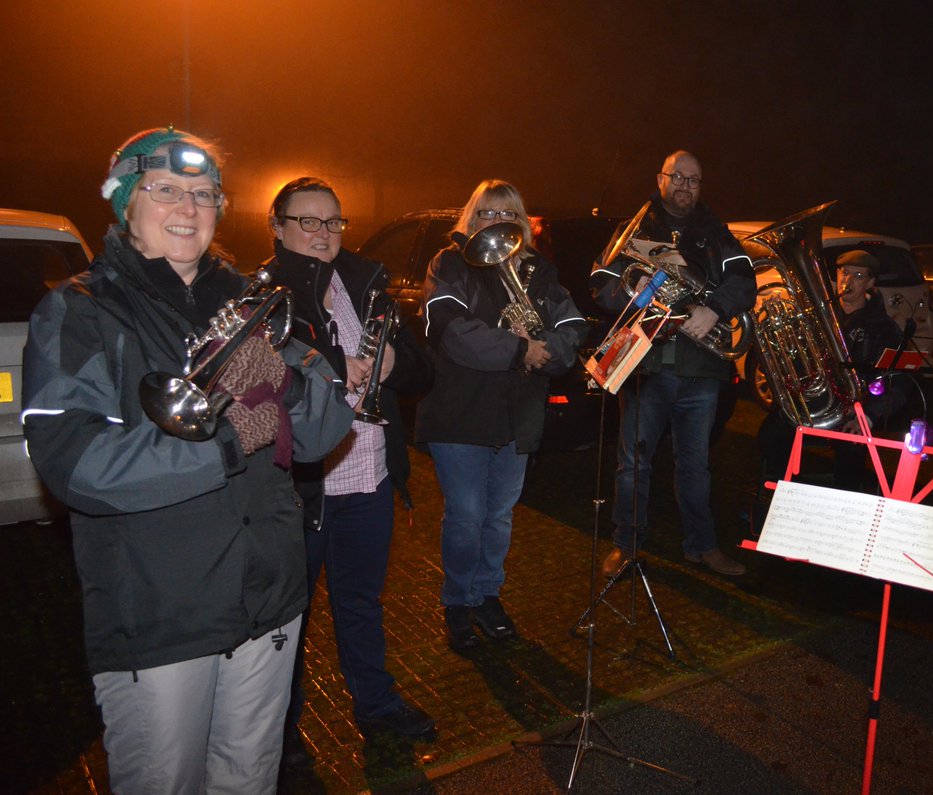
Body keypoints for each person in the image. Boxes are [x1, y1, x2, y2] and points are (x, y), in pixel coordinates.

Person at [20, 127, 354, 793]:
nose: (187, 208)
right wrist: (231, 439)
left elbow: (326, 426)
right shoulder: (78, 312)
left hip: (269, 605)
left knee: (248, 782)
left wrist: (286, 385)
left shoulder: (248, 302)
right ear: (126, 204)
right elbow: (75, 465)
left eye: (203, 194)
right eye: (164, 190)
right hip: (160, 617)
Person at [264, 177, 436, 755]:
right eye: (307, 221)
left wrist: (391, 364)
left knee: (360, 601)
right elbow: (268, 380)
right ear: (278, 227)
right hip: (300, 487)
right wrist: (341, 363)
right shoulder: (261, 294)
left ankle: (376, 701)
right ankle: (281, 727)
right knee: (289, 617)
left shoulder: (366, 283)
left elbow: (421, 372)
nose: (322, 234)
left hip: (367, 474)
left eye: (333, 222)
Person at [416, 179, 586, 652]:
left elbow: (572, 325)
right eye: (487, 213)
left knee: (499, 517)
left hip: (517, 414)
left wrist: (547, 352)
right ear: (471, 219)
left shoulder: (538, 272)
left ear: (521, 223)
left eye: (507, 214)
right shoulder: (449, 263)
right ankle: (457, 602)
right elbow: (451, 331)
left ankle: (487, 596)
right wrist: (519, 349)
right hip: (461, 412)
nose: (497, 222)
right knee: (467, 516)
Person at [590, 150, 756, 578]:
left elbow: (744, 279)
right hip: (645, 366)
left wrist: (715, 309)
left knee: (696, 467)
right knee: (634, 465)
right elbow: (601, 284)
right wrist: (634, 292)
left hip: (700, 370)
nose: (685, 185)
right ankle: (625, 546)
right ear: (660, 178)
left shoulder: (714, 231)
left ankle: (702, 547)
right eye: (677, 176)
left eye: (693, 180)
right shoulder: (635, 227)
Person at [756, 248, 912, 503]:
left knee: (852, 453)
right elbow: (791, 361)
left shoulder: (884, 327)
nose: (847, 281)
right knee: (770, 435)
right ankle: (779, 503)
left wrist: (869, 417)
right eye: (844, 273)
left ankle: (842, 512)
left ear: (871, 283)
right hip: (811, 407)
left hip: (853, 412)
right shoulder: (815, 316)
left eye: (858, 276)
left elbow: (900, 383)